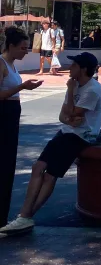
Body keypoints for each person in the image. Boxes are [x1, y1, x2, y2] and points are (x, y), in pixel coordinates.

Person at [0, 52, 101, 236]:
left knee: (50, 175)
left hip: (81, 137)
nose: (69, 68)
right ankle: (25, 216)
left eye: (73, 65)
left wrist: (71, 101)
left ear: (84, 69)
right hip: (66, 132)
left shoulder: (92, 90)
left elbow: (72, 111)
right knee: (37, 167)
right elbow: (64, 116)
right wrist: (69, 114)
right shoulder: (74, 85)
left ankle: (26, 216)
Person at [0, 27, 43, 230]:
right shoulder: (1, 64)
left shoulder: (13, 65)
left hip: (11, 115)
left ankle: (2, 217)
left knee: (8, 167)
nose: (26, 52)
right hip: (3, 115)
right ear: (11, 46)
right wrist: (22, 87)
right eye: (23, 48)